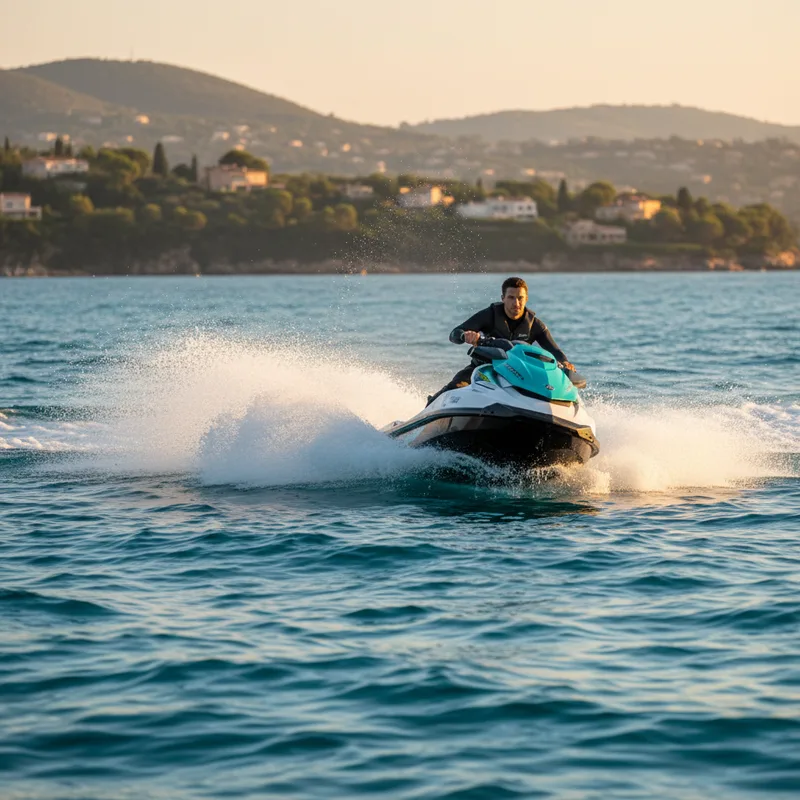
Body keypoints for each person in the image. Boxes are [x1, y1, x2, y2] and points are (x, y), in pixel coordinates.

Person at [427, 276, 575, 405]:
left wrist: (565, 362)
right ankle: (428, 412)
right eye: (511, 297)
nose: (516, 303)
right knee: (456, 385)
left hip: (520, 375)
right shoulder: (489, 315)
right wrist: (465, 335)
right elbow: (454, 333)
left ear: (526, 299)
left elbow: (555, 351)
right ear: (503, 298)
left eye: (520, 298)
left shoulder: (535, 325)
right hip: (484, 368)